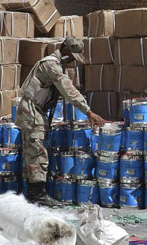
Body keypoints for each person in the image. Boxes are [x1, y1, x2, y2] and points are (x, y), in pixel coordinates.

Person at [16, 37, 105, 207]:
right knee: (37, 153)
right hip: (32, 111)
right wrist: (88, 111)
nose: (72, 60)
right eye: (71, 55)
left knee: (33, 152)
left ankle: (33, 194)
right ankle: (38, 196)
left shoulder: (57, 64)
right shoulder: (51, 65)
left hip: (34, 111)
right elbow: (68, 89)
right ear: (64, 49)